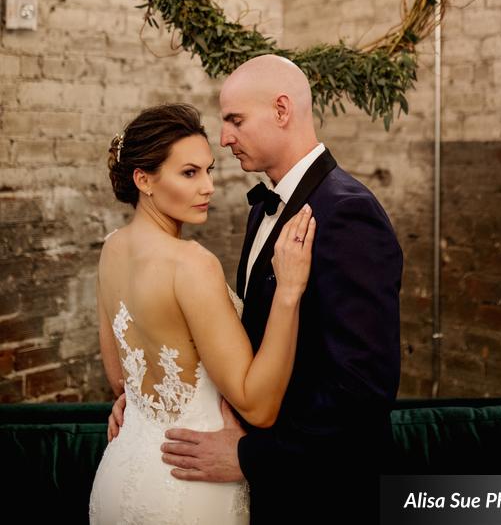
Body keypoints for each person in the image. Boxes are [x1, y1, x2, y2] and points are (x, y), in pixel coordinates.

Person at [109, 55, 403, 524]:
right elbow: (242, 341)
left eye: (235, 120)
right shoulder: (263, 207)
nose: (224, 137)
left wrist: (251, 457)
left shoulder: (347, 214)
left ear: (282, 110)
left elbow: (364, 390)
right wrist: (155, 399)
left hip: (325, 495)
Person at [89, 102, 316, 525]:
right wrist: (289, 292)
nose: (208, 186)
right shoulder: (191, 264)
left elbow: (121, 379)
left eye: (209, 170)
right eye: (189, 173)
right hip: (187, 487)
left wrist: (133, 402)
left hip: (120, 475)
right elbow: (259, 406)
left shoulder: (112, 249)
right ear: (144, 180)